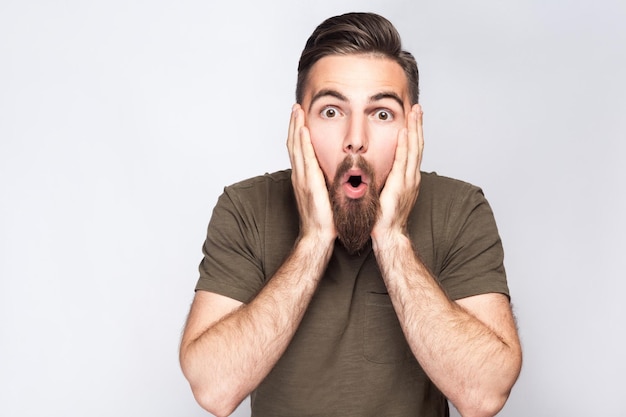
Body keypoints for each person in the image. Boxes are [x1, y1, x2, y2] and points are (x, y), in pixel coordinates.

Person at [180, 12, 522, 417]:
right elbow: (213, 391)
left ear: (412, 128)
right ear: (299, 125)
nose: (355, 141)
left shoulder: (460, 209)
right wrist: (313, 241)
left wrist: (393, 238)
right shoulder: (245, 208)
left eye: (381, 114)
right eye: (331, 111)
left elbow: (484, 396)